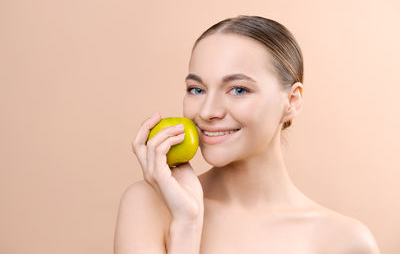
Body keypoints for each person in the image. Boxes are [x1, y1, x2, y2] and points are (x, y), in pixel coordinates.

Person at [114, 15, 381, 254]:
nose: (207, 111)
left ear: (292, 101)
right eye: (196, 89)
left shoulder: (344, 241)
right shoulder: (148, 206)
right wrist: (186, 225)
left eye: (238, 89)